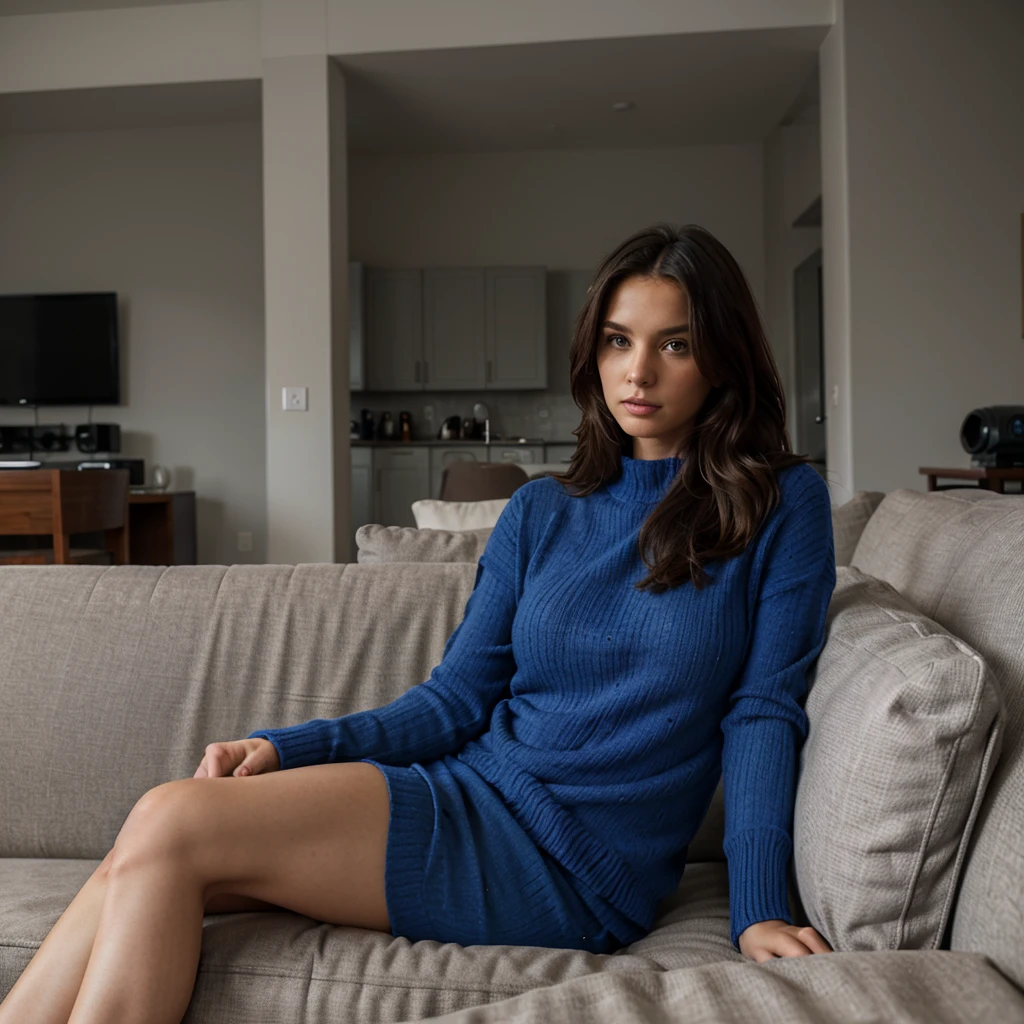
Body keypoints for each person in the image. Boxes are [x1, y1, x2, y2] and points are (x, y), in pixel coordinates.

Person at [0, 223, 834, 1024]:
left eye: (675, 343)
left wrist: (756, 909)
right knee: (151, 841)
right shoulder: (542, 510)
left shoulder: (779, 505)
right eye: (618, 340)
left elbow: (763, 711)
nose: (638, 371)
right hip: (472, 789)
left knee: (170, 822)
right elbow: (455, 701)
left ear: (721, 358)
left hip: (579, 865)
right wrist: (288, 747)